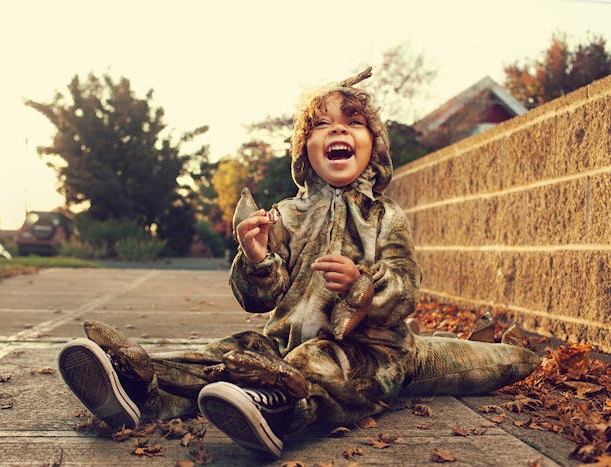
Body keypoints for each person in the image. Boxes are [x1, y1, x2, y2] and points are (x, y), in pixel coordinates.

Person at [58, 68, 540, 459]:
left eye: (352, 122)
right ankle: (140, 386)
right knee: (229, 352)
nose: (338, 129)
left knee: (317, 364)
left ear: (374, 145)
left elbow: (406, 291)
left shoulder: (384, 216)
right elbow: (257, 299)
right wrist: (256, 258)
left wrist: (362, 284)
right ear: (304, 151)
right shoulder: (286, 215)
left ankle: (274, 411)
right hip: (280, 342)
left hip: (371, 352)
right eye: (322, 124)